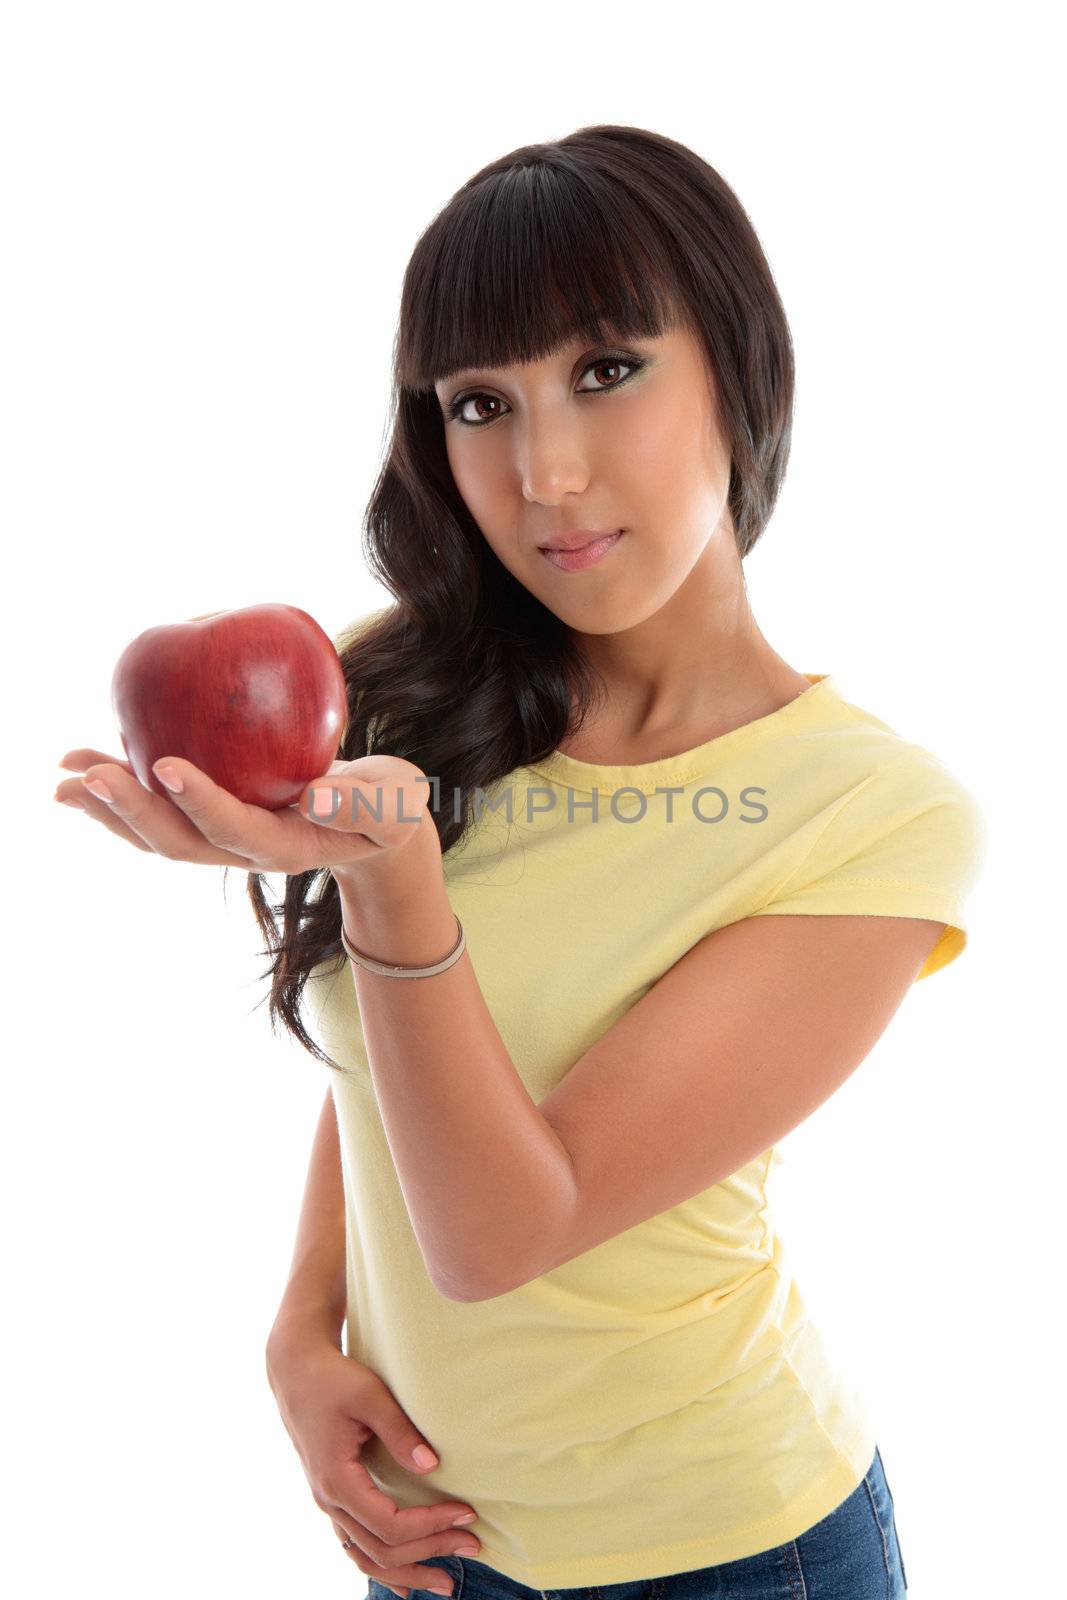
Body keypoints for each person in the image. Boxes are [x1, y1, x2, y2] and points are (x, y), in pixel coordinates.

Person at [58, 125, 983, 1598]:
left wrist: (395, 891)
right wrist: (303, 1339)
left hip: (734, 1549)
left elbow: (506, 1229)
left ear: (741, 372)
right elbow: (398, 1073)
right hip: (433, 1540)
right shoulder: (407, 691)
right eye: (480, 402)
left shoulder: (871, 815)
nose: (543, 472)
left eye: (607, 370)